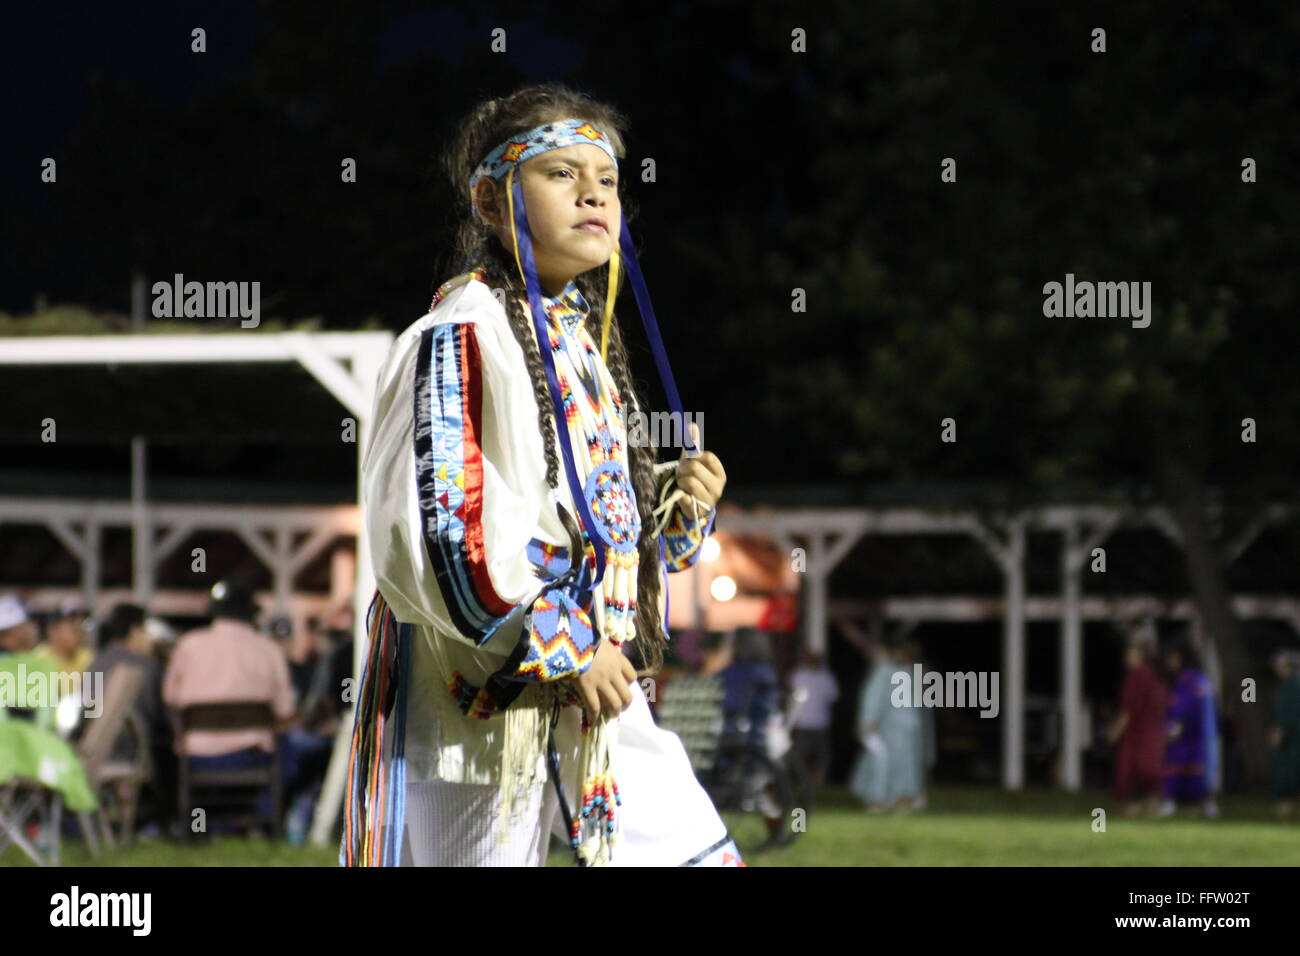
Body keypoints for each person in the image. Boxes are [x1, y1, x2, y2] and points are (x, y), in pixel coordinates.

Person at [345, 83, 742, 867]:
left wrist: (669, 506)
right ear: (492, 202)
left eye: (608, 179)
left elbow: (582, 521)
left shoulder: (577, 343)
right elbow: (440, 538)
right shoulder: (460, 336)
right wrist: (558, 642)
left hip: (595, 695)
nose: (594, 193)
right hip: (479, 702)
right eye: (561, 173)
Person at [163, 579, 296, 831]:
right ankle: (261, 820)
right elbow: (285, 711)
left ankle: (200, 823)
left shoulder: (188, 645)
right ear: (251, 613)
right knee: (292, 746)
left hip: (196, 755)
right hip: (251, 755)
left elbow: (171, 700)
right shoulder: (269, 650)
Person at [849, 638, 925, 812]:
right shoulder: (897, 672)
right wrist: (869, 721)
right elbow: (875, 699)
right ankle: (887, 797)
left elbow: (873, 699)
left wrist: (868, 721)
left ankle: (889, 798)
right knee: (892, 761)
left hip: (898, 725)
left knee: (892, 761)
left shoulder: (895, 672)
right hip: (898, 724)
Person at [1157, 638, 1220, 818]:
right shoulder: (1195, 680)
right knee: (1190, 769)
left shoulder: (1190, 681)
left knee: (1188, 769)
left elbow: (1184, 707)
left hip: (1190, 736)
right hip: (1194, 736)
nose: (1170, 663)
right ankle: (1191, 804)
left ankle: (1197, 804)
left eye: (1172, 658)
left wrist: (1174, 726)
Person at [1108, 629, 1167, 816]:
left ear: (1140, 655)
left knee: (1132, 772)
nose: (1126, 658)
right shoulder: (1154, 677)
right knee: (1148, 772)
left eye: (1130, 654)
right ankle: (1149, 808)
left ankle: (1135, 808)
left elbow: (1128, 710)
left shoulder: (1137, 677)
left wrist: (1115, 731)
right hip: (1152, 734)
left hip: (1137, 736)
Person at [789, 650, 839, 788]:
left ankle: (819, 781)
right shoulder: (798, 675)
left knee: (823, 755)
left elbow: (833, 697)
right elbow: (792, 698)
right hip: (803, 722)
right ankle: (801, 780)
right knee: (800, 754)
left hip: (821, 723)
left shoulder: (826, 677)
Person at [1269, 649, 1300, 821]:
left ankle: (1284, 812)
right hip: (1293, 736)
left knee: (1288, 775)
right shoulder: (1289, 684)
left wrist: (1280, 732)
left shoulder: (1292, 685)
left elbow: (1288, 713)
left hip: (1293, 738)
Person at [34, 600, 92, 674]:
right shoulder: (40, 659)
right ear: (53, 630)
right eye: (72, 625)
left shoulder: (87, 658)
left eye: (81, 623)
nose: (80, 629)